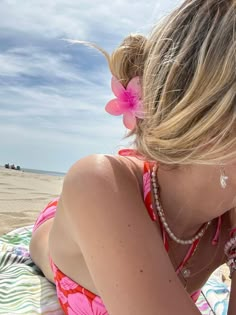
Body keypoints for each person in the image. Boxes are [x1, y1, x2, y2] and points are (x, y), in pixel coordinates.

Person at [29, 0, 236, 314]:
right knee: (46, 247)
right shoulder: (98, 183)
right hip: (94, 210)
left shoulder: (224, 223)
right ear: (213, 117)